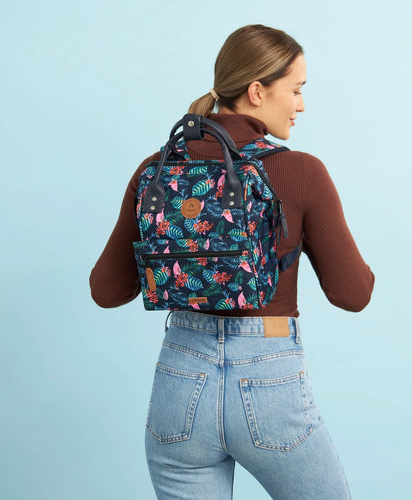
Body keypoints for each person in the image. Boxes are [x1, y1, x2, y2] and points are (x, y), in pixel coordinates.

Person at [90, 24, 374, 500]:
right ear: (257, 91)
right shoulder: (300, 170)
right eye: (296, 90)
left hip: (180, 383)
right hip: (269, 383)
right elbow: (353, 294)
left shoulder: (156, 170)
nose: (302, 104)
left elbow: (105, 290)